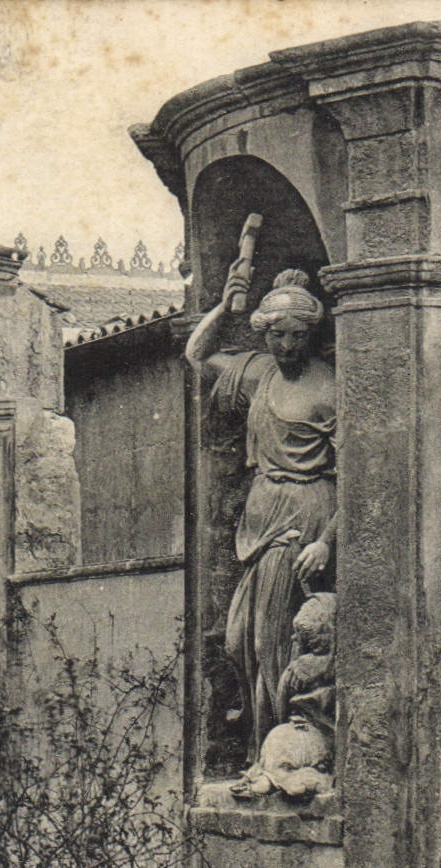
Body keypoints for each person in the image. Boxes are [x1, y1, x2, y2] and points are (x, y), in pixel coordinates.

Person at [186, 264, 337, 763]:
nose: (287, 346)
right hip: (260, 514)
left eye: (297, 336)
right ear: (265, 334)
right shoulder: (258, 372)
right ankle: (262, 745)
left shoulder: (329, 386)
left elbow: (355, 474)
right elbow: (198, 354)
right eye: (277, 335)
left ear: (311, 333)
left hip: (304, 513)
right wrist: (225, 307)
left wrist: (326, 542)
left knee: (272, 640)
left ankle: (272, 755)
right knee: (239, 642)